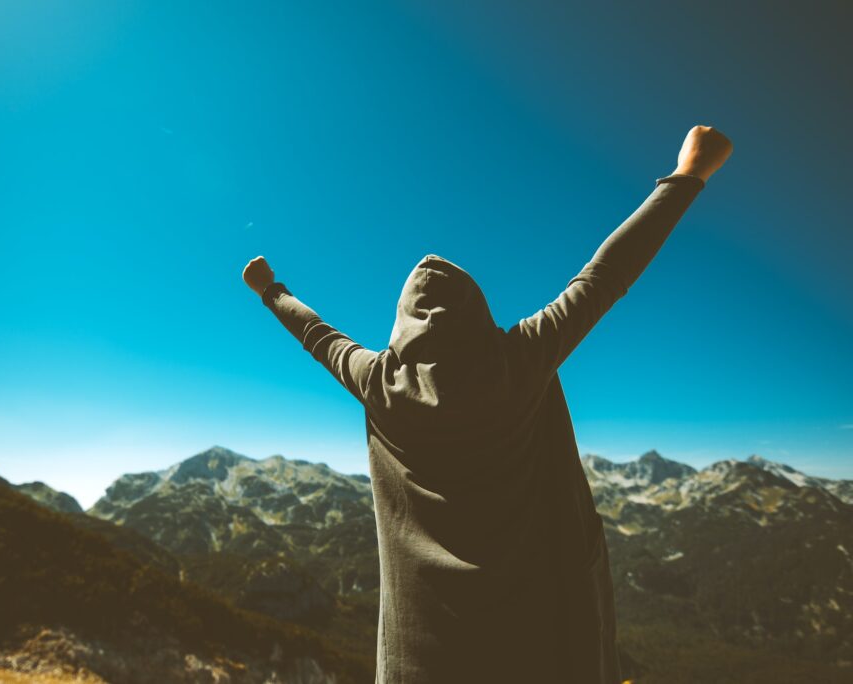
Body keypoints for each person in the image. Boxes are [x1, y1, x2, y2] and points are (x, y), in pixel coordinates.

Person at [243, 125, 733, 683]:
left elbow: (319, 337)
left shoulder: (379, 381)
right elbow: (605, 275)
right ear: (478, 312)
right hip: (539, 647)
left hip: (420, 658)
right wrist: (688, 174)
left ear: (401, 326)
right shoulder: (520, 359)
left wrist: (270, 290)